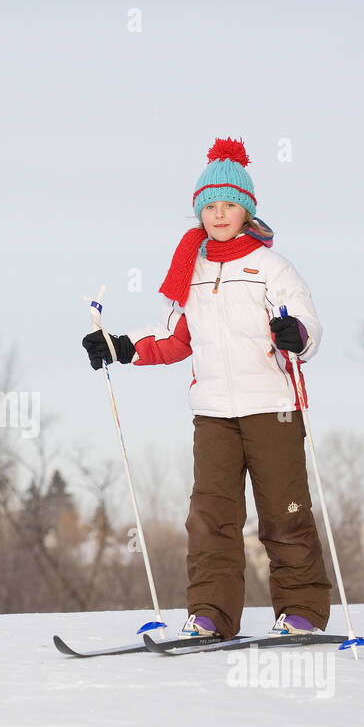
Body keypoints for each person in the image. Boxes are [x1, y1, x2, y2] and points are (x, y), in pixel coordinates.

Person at [81, 136, 331, 641]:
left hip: (273, 409)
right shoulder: (188, 270)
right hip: (213, 412)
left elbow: (307, 325)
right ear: (200, 211)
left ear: (246, 210)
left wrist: (296, 334)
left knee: (284, 513)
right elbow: (175, 340)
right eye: (210, 206)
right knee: (210, 519)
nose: (219, 214)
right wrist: (121, 346)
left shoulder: (271, 268)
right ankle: (211, 616)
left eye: (229, 205)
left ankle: (302, 611)